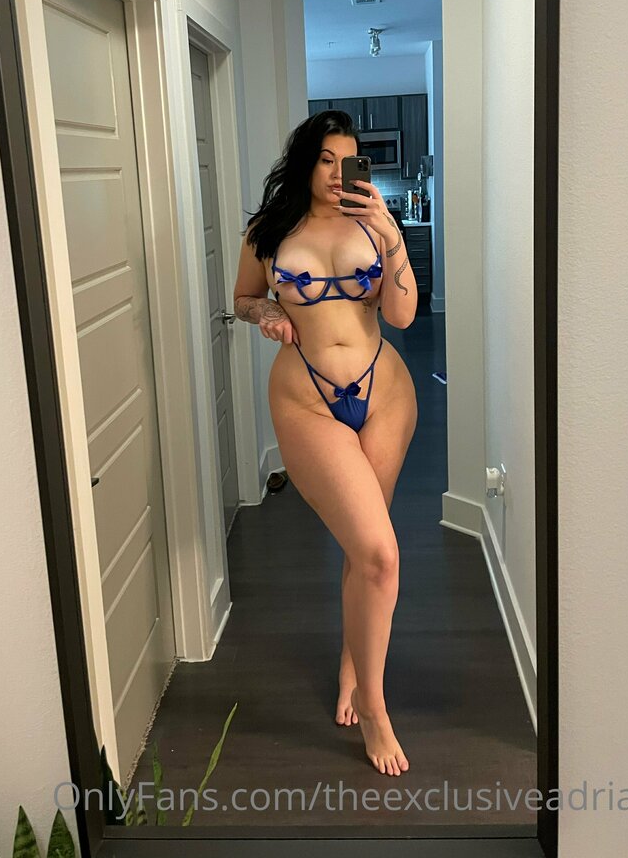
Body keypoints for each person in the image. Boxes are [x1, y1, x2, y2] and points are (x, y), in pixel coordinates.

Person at [233, 111, 418, 776]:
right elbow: (244, 297)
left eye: (349, 160)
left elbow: (401, 315)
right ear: (305, 162)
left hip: (384, 393)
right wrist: (267, 313)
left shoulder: (374, 225)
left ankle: (353, 663)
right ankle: (374, 709)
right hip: (307, 399)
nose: (340, 173)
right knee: (378, 552)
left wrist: (390, 235)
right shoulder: (270, 230)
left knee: (365, 549)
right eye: (326, 160)